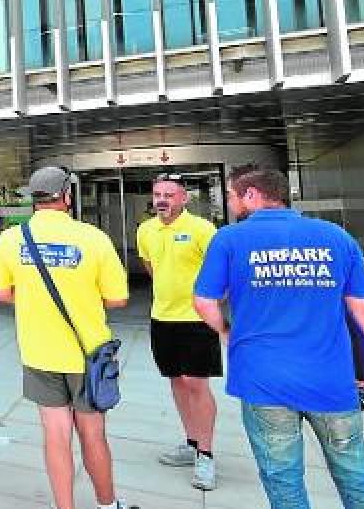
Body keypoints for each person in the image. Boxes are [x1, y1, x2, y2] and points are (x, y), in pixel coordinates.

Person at [193, 164, 364, 509]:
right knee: (355, 470)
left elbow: (204, 300)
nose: (230, 202)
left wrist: (226, 332)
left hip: (264, 377)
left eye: (232, 195)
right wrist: (363, 369)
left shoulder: (230, 239)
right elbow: (362, 312)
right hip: (332, 376)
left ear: (251, 195)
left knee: (282, 477)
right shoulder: (336, 237)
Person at [0, 166, 131, 509]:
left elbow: (1, 293)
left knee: (55, 435)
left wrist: (34, 298)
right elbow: (118, 299)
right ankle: (107, 504)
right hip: (88, 353)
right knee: (93, 434)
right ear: (67, 197)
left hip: (39, 352)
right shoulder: (93, 238)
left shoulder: (12, 239)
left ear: (33, 200)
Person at [136, 174, 220, 490]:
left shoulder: (202, 229)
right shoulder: (146, 231)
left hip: (197, 320)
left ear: (184, 198)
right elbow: (152, 268)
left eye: (169, 195)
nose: (162, 200)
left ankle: (206, 455)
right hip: (162, 319)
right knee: (177, 382)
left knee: (196, 384)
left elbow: (219, 270)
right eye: (158, 194)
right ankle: (191, 442)